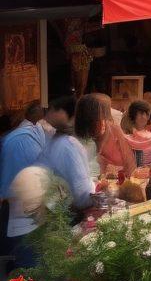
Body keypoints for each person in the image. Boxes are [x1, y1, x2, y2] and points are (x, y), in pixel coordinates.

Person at [9, 97, 93, 270]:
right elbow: (82, 194)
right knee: (38, 274)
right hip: (35, 225)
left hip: (26, 222)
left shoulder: (53, 138)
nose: (47, 112)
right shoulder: (64, 143)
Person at [0, 102, 47, 263]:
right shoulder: (21, 141)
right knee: (27, 268)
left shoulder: (23, 137)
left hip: (23, 216)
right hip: (23, 219)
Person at [74, 93, 136, 177]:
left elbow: (130, 162)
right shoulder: (76, 139)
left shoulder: (114, 129)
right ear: (88, 119)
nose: (104, 121)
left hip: (119, 184)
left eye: (105, 115)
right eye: (99, 117)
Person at [120, 99, 151, 166]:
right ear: (133, 116)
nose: (144, 117)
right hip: (130, 174)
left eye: (146, 114)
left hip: (148, 174)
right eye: (141, 114)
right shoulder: (125, 139)